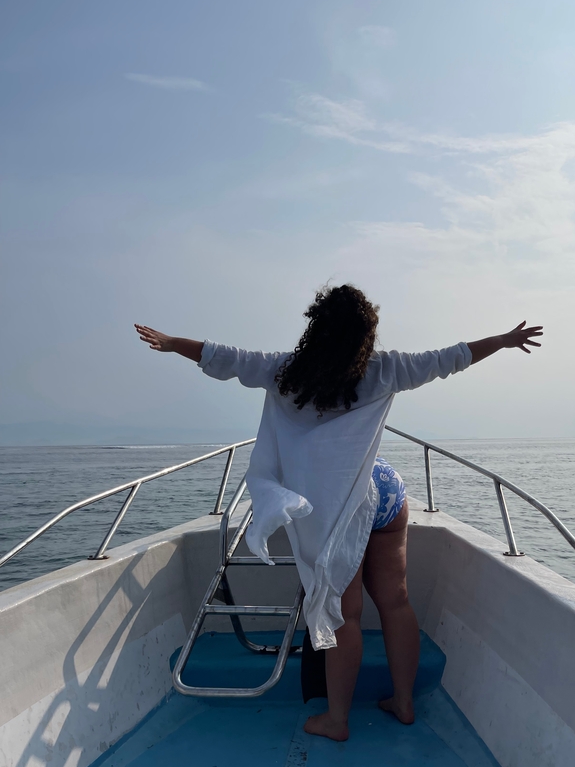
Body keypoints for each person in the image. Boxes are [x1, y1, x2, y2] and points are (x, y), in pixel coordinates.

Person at [135, 285, 542, 741]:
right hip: (385, 492)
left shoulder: (285, 371)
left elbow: (226, 358)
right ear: (366, 334)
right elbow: (450, 357)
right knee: (395, 600)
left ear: (316, 325)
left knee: (344, 615)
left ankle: (337, 720)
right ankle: (404, 703)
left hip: (339, 506)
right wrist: (503, 340)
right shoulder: (385, 370)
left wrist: (173, 345)